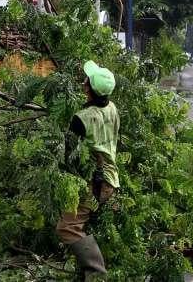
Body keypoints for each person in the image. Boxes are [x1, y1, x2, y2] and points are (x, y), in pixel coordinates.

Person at [56, 61, 120, 279]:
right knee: (82, 225)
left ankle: (97, 274)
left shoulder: (81, 118)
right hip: (111, 177)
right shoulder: (112, 108)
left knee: (68, 228)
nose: (83, 83)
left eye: (86, 81)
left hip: (94, 182)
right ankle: (84, 275)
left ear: (88, 89)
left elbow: (70, 156)